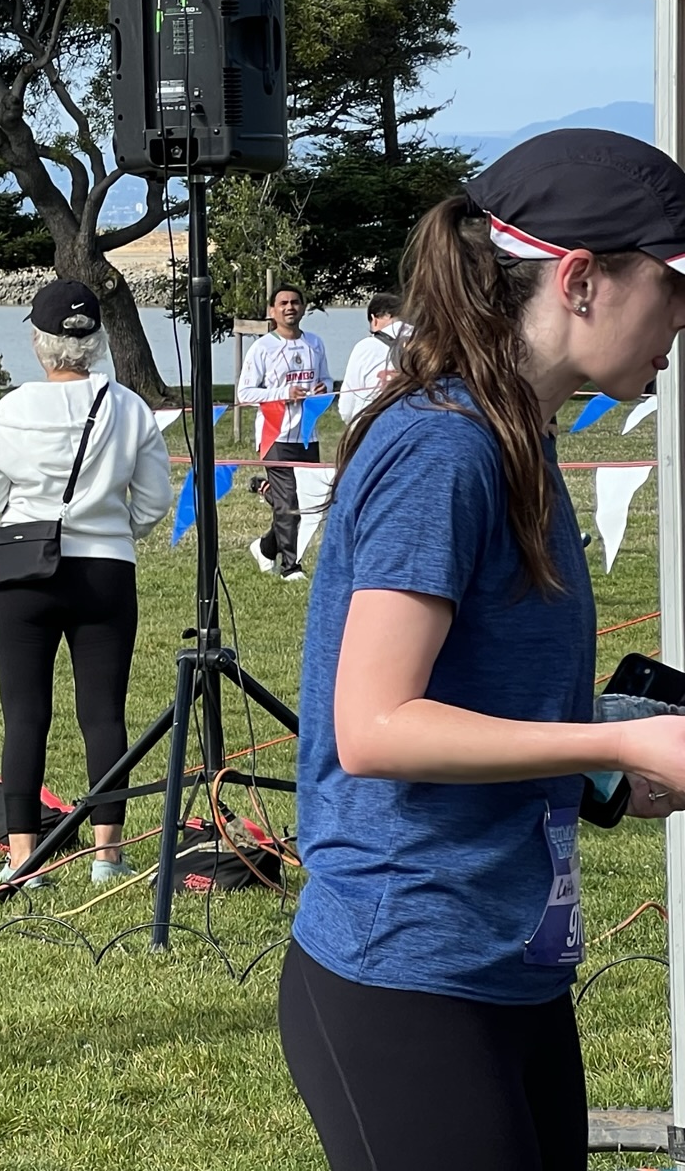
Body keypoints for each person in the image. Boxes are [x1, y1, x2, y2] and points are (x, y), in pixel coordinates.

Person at [280, 128, 685, 1171]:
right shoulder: (442, 448)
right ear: (580, 279)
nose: (681, 319)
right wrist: (633, 750)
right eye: (673, 285)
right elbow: (372, 728)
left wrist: (603, 755)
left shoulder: (517, 440)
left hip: (510, 961)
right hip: (402, 968)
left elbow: (483, 697)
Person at [0, 280, 172, 887]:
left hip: (24, 571)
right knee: (104, 714)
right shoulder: (127, 407)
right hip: (105, 569)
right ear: (98, 342)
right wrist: (110, 526)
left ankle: (23, 853)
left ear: (40, 342)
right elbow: (154, 498)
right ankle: (108, 854)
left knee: (25, 714)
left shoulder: (8, 411)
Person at [236, 283, 333, 580]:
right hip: (274, 435)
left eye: (295, 302)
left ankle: (266, 548)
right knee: (289, 502)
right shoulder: (263, 347)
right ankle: (291, 567)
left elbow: (328, 381)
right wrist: (282, 393)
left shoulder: (315, 343)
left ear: (303, 307)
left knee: (306, 502)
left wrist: (322, 389)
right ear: (272, 311)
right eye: (283, 303)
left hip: (307, 436)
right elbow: (244, 393)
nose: (289, 307)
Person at [336, 291, 411, 423]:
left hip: (373, 426)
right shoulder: (426, 342)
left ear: (374, 319)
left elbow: (346, 407)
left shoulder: (366, 346)